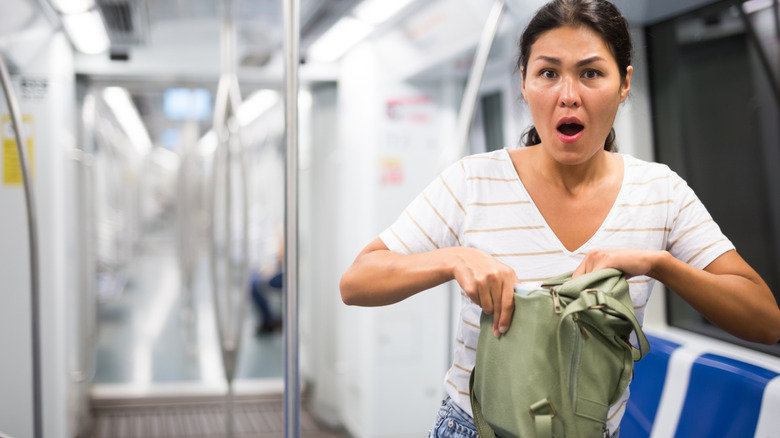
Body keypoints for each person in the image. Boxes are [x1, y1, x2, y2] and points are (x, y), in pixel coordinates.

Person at [339, 0, 780, 436]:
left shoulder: (660, 192)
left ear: (624, 83)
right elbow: (358, 280)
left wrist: (659, 264)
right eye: (548, 73)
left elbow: (765, 320)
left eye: (590, 73)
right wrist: (453, 259)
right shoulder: (473, 180)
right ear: (525, 83)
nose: (568, 95)